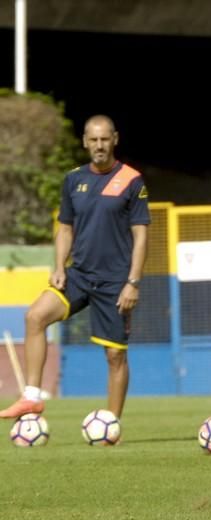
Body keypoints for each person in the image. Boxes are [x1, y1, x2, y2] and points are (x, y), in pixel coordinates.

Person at [0, 114, 150, 420]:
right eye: (93, 139)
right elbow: (65, 228)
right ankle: (31, 397)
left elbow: (141, 235)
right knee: (34, 317)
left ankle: (111, 423)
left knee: (115, 355)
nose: (99, 145)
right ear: (84, 142)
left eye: (104, 139)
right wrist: (59, 266)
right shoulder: (73, 179)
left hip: (114, 281)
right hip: (78, 275)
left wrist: (132, 282)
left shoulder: (131, 180)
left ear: (115, 140)